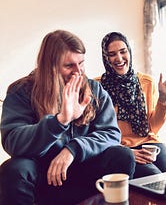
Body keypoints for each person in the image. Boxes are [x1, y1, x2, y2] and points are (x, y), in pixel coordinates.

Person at [0, 30, 136, 205]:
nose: (78, 72)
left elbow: (111, 134)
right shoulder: (21, 91)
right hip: (43, 173)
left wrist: (73, 149)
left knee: (122, 155)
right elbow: (13, 141)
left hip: (81, 167)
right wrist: (59, 121)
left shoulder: (94, 89)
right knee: (14, 170)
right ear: (49, 66)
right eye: (69, 65)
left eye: (81, 63)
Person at [100, 32, 166, 178]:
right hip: (123, 149)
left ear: (129, 51)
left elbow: (153, 127)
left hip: (149, 143)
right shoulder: (99, 87)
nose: (119, 58)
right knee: (155, 178)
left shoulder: (146, 82)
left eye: (123, 51)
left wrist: (163, 99)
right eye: (112, 54)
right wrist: (125, 151)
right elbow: (99, 131)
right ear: (106, 58)